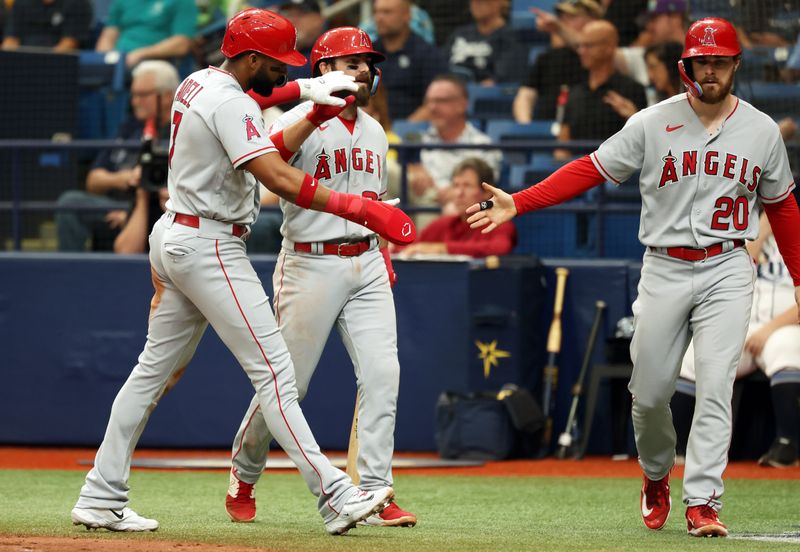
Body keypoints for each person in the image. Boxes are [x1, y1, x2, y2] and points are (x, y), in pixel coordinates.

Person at [70, 8, 416, 536]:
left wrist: (304, 95)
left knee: (152, 372)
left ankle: (100, 493)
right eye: (277, 63)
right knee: (276, 373)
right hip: (211, 242)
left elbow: (259, 97)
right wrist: (366, 210)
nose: (283, 71)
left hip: (176, 234)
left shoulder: (197, 80)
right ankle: (334, 492)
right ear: (251, 57)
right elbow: (276, 172)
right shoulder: (231, 102)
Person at [466, 17, 800, 537]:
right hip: (664, 267)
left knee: (714, 386)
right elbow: (591, 168)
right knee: (648, 395)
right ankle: (655, 473)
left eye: (719, 61)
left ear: (736, 64)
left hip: (728, 267)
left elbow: (783, 207)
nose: (709, 70)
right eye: (700, 62)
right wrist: (522, 201)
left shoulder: (760, 130)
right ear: (685, 67)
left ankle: (703, 502)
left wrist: (799, 278)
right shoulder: (651, 122)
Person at [225, 26, 417, 528]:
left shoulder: (375, 130)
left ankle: (376, 489)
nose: (362, 70)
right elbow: (264, 165)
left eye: (366, 62)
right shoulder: (297, 118)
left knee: (383, 376)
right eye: (349, 61)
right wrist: (313, 113)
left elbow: (371, 206)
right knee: (290, 385)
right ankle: (244, 470)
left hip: (367, 262)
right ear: (322, 70)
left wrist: (385, 255)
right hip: (310, 261)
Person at [674, 213, 800, 468]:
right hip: (742, 326)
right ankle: (678, 448)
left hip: (786, 326)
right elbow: (735, 272)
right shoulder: (742, 231)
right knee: (691, 358)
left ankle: (788, 444)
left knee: (784, 350)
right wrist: (763, 228)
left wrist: (768, 331)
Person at [56, 60, 179, 251]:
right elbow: (93, 180)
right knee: (70, 202)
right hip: (115, 204)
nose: (134, 101)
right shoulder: (128, 129)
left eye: (142, 95)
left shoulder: (183, 131)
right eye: (133, 95)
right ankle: (70, 273)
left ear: (167, 96)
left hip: (160, 209)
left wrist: (131, 210)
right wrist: (124, 178)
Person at [408, 74, 501, 226]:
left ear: (462, 105)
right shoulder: (418, 140)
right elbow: (402, 169)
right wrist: (413, 169)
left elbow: (487, 188)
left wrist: (455, 191)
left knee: (445, 207)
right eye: (429, 101)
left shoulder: (483, 146)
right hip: (418, 198)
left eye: (441, 101)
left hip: (455, 210)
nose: (432, 107)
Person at [557, 20, 647, 159]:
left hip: (616, 172)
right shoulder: (575, 93)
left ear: (609, 47)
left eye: (588, 45)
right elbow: (563, 140)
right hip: (577, 170)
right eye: (580, 45)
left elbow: (642, 142)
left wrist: (632, 117)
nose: (581, 51)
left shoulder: (632, 90)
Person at [396, 157, 516, 258]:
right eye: (456, 185)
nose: (459, 193)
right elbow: (412, 248)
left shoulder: (499, 224)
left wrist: (443, 248)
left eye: (467, 186)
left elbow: (500, 248)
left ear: (487, 192)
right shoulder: (442, 225)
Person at [512, 0, 598, 123]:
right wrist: (526, 125)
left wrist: (558, 27)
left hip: (583, 131)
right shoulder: (547, 57)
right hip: (546, 130)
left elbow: (584, 45)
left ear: (594, 21)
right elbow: (525, 95)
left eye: (572, 17)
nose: (563, 22)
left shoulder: (604, 56)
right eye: (561, 17)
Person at [371, 0, 448, 121]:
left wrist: (403, 131)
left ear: (406, 16)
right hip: (370, 129)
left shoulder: (427, 54)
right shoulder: (368, 54)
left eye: (387, 12)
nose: (379, 18)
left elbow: (436, 102)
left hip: (412, 133)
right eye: (376, 12)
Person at [443, 0, 527, 85]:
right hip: (449, 86)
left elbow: (501, 78)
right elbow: (441, 66)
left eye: (483, 1)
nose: (477, 4)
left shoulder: (512, 37)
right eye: (473, 1)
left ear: (500, 2)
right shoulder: (459, 33)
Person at [95, 0, 197, 68]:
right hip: (118, 60)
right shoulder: (122, 2)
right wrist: (103, 59)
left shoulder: (182, 2)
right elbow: (108, 35)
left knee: (148, 73)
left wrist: (141, 54)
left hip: (156, 62)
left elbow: (181, 43)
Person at [1, 0, 93, 51]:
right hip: (20, 66)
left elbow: (68, 45)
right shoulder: (21, 3)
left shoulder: (78, 3)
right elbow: (10, 40)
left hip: (58, 68)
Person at [279, 0, 326, 83]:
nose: (293, 20)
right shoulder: (278, 52)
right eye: (289, 14)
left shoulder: (329, 53)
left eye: (300, 14)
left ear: (318, 19)